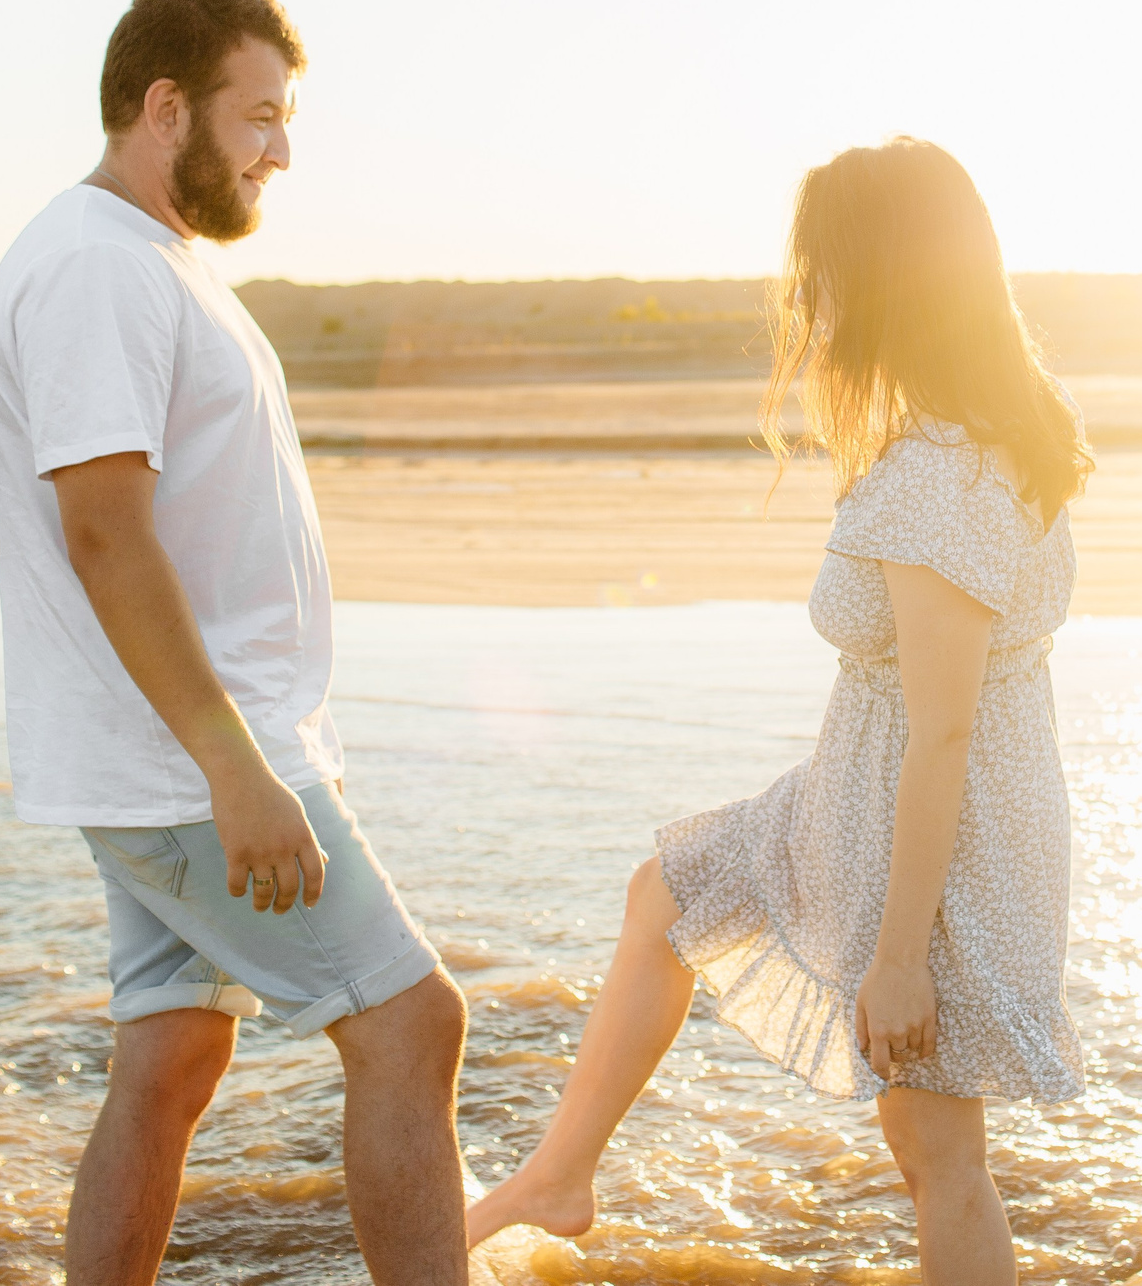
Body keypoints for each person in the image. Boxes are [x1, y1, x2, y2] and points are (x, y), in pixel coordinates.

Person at [466, 137, 1092, 1282]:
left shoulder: (937, 476)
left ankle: (557, 1174)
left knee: (937, 1146)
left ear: (884, 276)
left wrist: (899, 958)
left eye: (822, 267)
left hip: (937, 840)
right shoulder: (984, 439)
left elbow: (945, 731)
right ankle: (558, 1174)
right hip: (869, 801)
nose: (807, 296)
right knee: (667, 892)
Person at [0, 0, 469, 1285]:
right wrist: (238, 766)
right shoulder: (90, 267)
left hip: (199, 748)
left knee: (172, 1051)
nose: (280, 149)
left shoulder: (146, 258)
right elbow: (105, 533)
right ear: (164, 102)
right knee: (412, 1023)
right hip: (197, 759)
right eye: (259, 116)